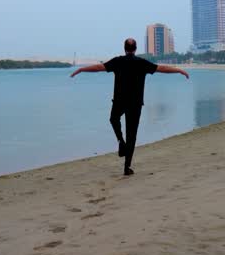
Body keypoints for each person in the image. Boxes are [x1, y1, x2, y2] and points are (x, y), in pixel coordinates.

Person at [70, 37, 189, 175]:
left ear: (124, 48)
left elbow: (98, 67)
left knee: (113, 119)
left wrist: (81, 70)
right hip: (135, 104)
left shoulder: (118, 61)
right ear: (135, 49)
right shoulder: (142, 63)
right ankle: (127, 167)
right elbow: (161, 68)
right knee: (132, 135)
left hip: (120, 101)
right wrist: (179, 70)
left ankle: (121, 141)